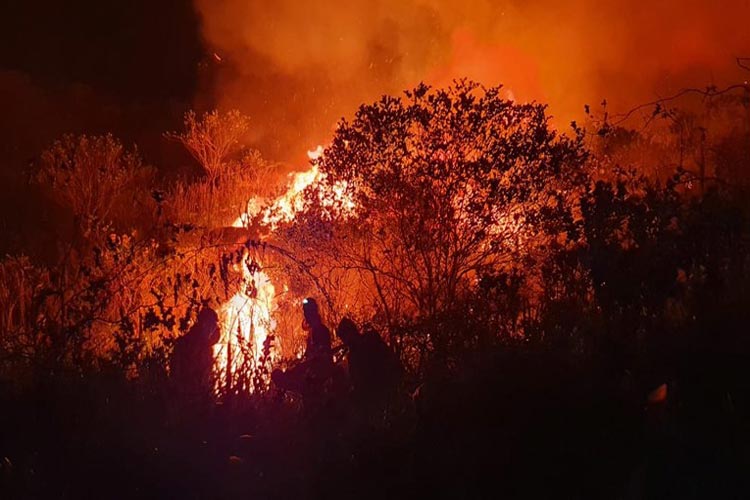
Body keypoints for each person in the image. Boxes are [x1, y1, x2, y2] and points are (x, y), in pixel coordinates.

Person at [272, 298, 336, 401]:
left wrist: (299, 369)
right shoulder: (313, 331)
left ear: (313, 312)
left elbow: (318, 358)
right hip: (313, 374)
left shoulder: (319, 331)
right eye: (305, 311)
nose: (305, 314)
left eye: (307, 311)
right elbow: (309, 356)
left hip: (318, 377)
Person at [336, 317, 401, 414]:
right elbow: (356, 380)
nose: (344, 341)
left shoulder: (370, 339)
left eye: (344, 337)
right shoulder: (353, 354)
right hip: (373, 394)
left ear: (351, 331)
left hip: (383, 389)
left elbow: (386, 360)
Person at [171, 306, 220, 398]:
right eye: (212, 325)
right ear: (204, 324)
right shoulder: (189, 344)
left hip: (197, 395)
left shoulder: (205, 345)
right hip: (188, 394)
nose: (213, 329)